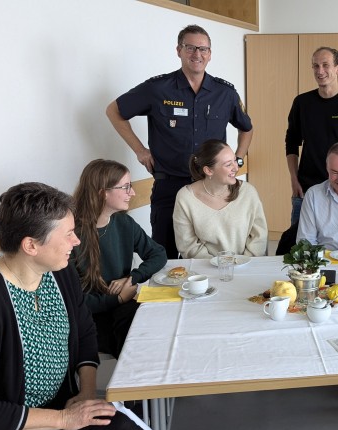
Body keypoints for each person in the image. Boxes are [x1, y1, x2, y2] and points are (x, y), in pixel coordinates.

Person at [0, 183, 162, 430]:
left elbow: (84, 331)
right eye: (69, 234)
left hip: (53, 411)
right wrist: (64, 419)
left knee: (120, 424)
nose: (77, 241)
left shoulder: (59, 273)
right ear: (31, 246)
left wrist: (85, 392)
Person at [106, 24, 253, 259]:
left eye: (203, 49)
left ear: (210, 54)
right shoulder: (158, 89)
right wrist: (140, 150)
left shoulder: (225, 93)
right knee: (165, 255)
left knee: (215, 254)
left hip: (212, 187)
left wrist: (237, 159)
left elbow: (246, 128)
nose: (197, 54)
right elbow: (114, 110)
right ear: (179, 50)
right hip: (170, 185)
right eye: (190, 48)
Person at [71, 159, 167, 358]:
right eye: (125, 187)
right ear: (102, 193)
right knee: (133, 337)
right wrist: (118, 298)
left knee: (156, 326)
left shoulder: (123, 222)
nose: (132, 193)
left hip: (122, 305)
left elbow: (158, 253)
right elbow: (73, 301)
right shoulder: (71, 236)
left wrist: (132, 278)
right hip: (92, 315)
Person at [286, 46, 338, 225]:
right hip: (306, 189)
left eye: (326, 65)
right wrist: (294, 180)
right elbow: (291, 143)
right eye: (315, 66)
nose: (320, 71)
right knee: (300, 246)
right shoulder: (302, 103)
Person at [173, 139, 268, 258]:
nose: (236, 168)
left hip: (245, 267)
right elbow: (188, 245)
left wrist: (242, 264)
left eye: (235, 161)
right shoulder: (185, 197)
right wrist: (220, 267)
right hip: (204, 270)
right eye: (228, 164)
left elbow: (259, 237)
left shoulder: (248, 192)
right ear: (208, 170)